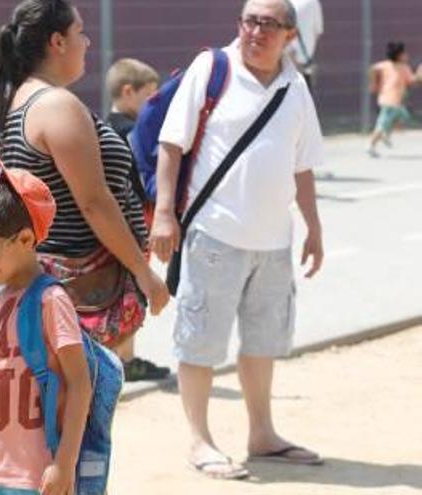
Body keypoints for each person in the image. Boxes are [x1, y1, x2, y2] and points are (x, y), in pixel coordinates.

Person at [150, 0, 325, 479]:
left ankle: (262, 434)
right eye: (250, 20)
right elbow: (171, 143)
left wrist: (314, 226)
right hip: (213, 234)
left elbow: (303, 162)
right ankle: (200, 439)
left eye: (269, 23)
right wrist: (164, 213)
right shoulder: (213, 69)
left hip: (274, 240)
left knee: (263, 341)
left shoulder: (295, 85)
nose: (257, 31)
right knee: (199, 340)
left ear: (290, 34)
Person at [0, 0, 170, 382]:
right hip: (74, 297)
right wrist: (144, 273)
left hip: (52, 289)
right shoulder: (56, 105)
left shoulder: (20, 98)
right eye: (80, 34)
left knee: (58, 417)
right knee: (79, 418)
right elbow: (94, 202)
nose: (86, 43)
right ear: (57, 41)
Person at [0, 163, 92, 495]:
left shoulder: (50, 300)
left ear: (26, 238)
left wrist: (64, 463)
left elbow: (79, 385)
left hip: (35, 472)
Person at [104, 58, 171, 382]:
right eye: (150, 96)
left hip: (113, 220)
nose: (153, 105)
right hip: (134, 219)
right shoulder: (134, 133)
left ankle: (120, 356)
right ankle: (122, 359)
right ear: (128, 92)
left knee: (118, 286)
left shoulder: (102, 126)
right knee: (130, 287)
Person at [367, 41, 422, 157]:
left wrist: (418, 75)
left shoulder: (402, 68)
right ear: (399, 55)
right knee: (381, 124)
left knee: (403, 116)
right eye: (404, 53)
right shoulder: (389, 65)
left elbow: (411, 81)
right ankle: (371, 145)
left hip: (395, 102)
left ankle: (385, 133)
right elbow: (372, 69)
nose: (407, 55)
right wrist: (373, 84)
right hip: (389, 101)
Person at [285, 0, 323, 89]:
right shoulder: (313, 3)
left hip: (284, 71)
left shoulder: (282, 3)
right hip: (304, 68)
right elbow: (317, 32)